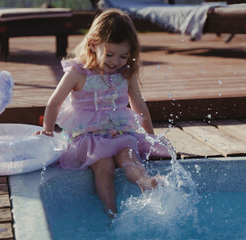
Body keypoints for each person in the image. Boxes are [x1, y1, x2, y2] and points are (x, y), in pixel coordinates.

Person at [34, 9, 170, 217]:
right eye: (110, 54)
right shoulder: (78, 72)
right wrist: (48, 131)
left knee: (129, 155)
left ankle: (145, 182)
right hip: (86, 137)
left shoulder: (125, 74)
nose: (116, 61)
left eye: (123, 56)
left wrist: (150, 135)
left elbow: (139, 105)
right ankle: (112, 214)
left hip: (118, 133)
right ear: (92, 45)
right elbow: (54, 102)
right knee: (103, 164)